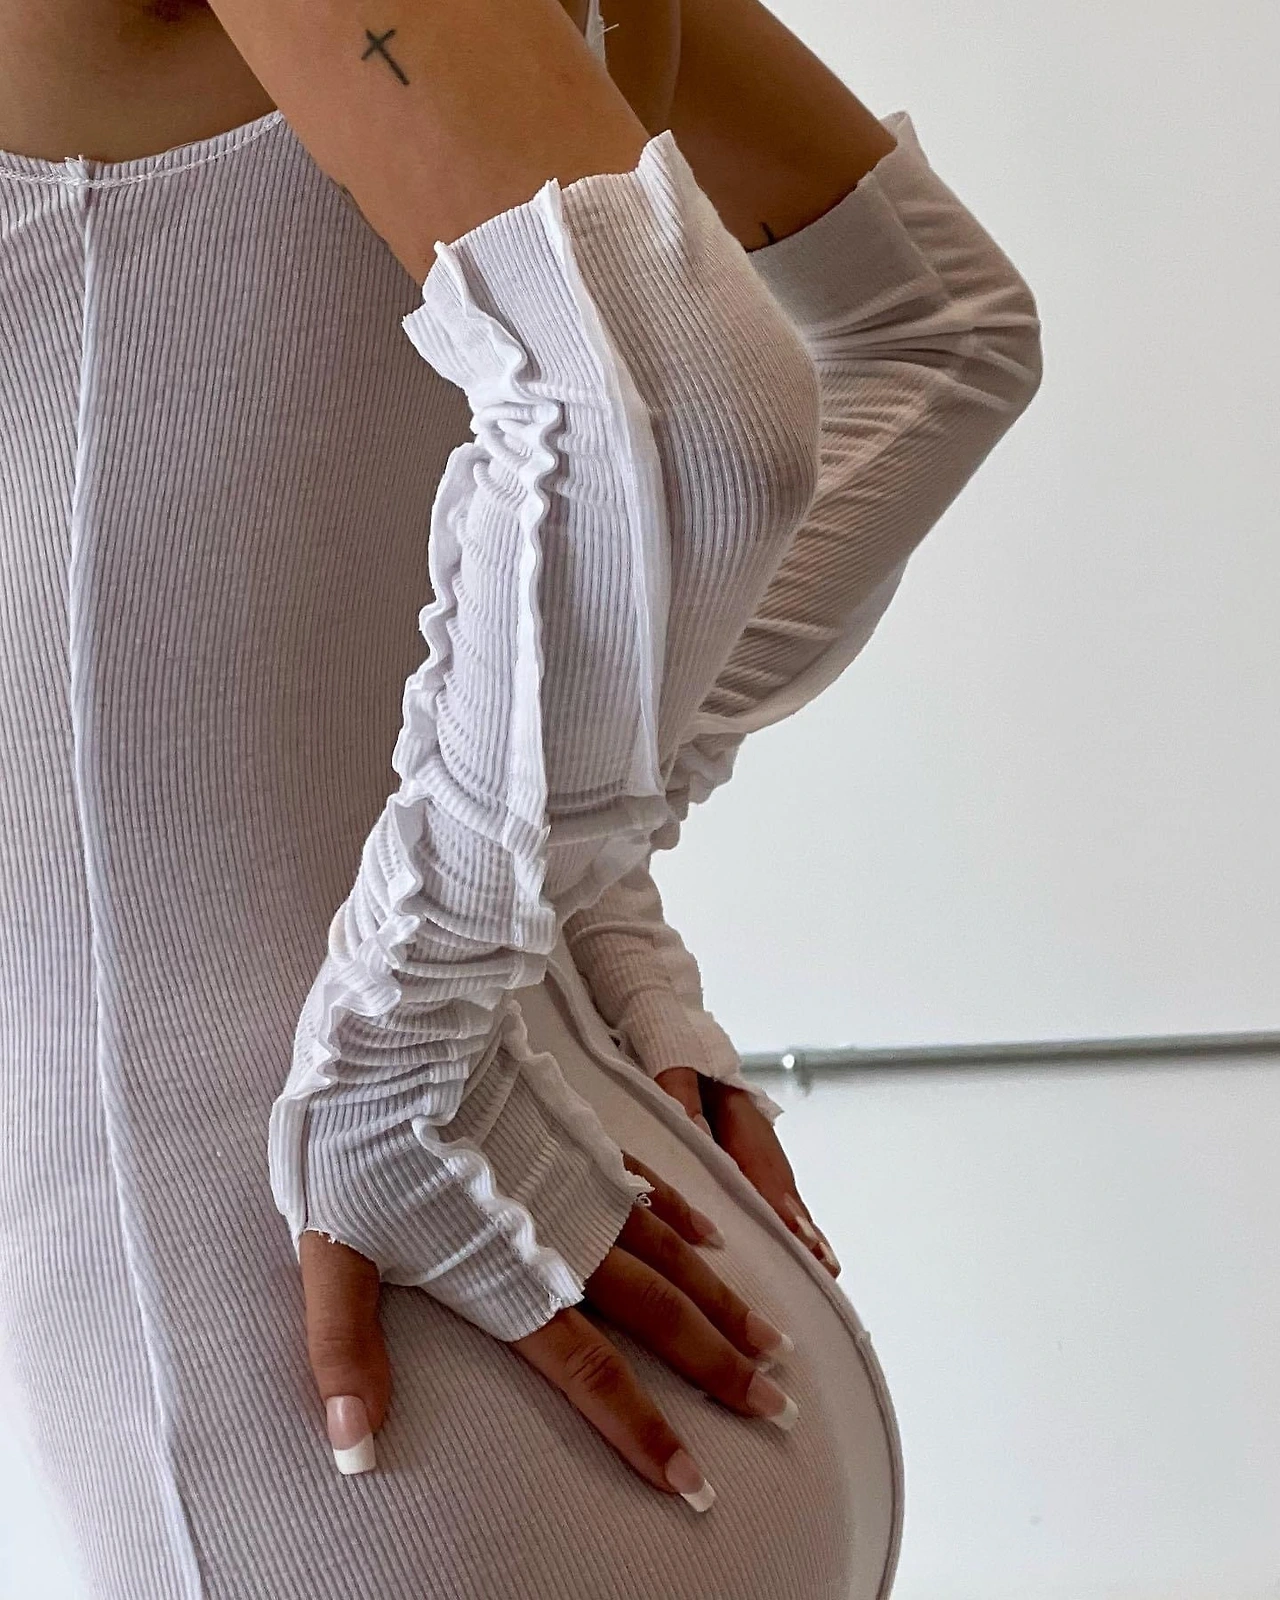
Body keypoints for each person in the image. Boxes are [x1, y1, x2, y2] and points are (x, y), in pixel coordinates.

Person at [0, 0, 1043, 1593]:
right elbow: (941, 332)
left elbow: (692, 404)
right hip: (569, 1255)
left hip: (336, 1379)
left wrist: (402, 1058)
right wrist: (577, 867)